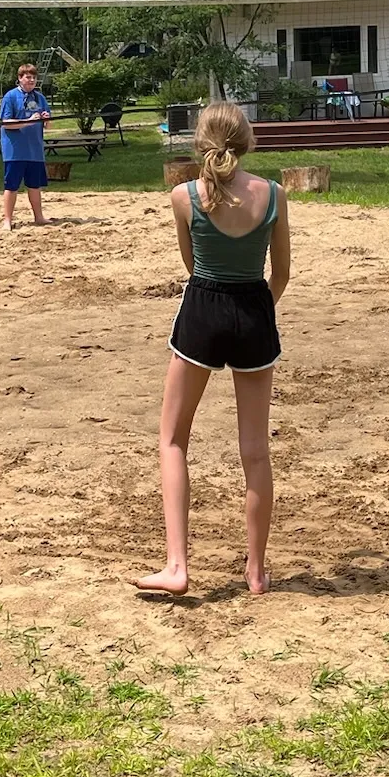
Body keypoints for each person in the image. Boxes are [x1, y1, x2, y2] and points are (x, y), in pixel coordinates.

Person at [137, 102, 291, 598]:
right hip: (253, 310)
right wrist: (255, 309)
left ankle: (177, 565)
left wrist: (220, 298)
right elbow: (282, 272)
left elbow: (192, 265)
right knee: (255, 452)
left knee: (173, 439)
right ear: (247, 141)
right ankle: (256, 570)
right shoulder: (274, 195)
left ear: (200, 142)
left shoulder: (184, 196)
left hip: (203, 309)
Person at [0, 62, 53, 230]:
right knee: (11, 186)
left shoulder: (39, 97)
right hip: (15, 150)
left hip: (34, 150)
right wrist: (28, 122)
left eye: (34, 78)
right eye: (28, 77)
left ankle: (39, 217)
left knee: (35, 185)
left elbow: (48, 125)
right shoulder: (10, 97)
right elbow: (6, 123)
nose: (31, 81)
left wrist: (45, 119)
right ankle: (7, 220)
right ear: (20, 78)